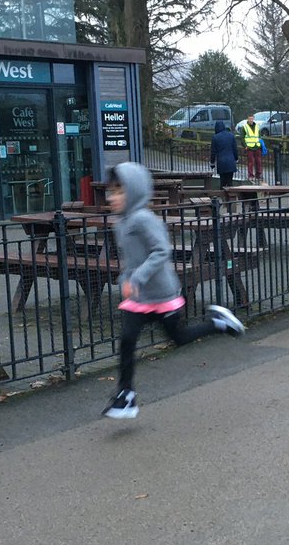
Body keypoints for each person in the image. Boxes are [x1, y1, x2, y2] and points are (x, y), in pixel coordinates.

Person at [101, 161, 247, 419]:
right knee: (126, 340)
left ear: (134, 190)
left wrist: (137, 278)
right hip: (139, 298)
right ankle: (126, 394)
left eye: (119, 191)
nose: (113, 197)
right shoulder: (120, 223)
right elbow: (131, 258)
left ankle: (218, 322)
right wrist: (127, 277)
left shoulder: (144, 219)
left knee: (178, 338)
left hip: (162, 294)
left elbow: (161, 251)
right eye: (111, 191)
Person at [209, 120, 239, 188]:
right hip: (231, 162)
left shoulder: (215, 137)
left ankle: (223, 197)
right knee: (230, 181)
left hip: (221, 162)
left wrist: (212, 163)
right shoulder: (231, 136)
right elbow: (235, 149)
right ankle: (231, 197)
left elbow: (213, 152)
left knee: (222, 182)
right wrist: (236, 158)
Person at [238, 112, 262, 182]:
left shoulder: (257, 126)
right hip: (249, 147)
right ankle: (251, 175)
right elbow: (242, 137)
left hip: (257, 146)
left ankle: (258, 174)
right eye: (250, 119)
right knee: (250, 162)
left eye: (252, 119)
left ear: (253, 118)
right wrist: (245, 146)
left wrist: (260, 144)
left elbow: (259, 136)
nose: (251, 120)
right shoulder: (244, 127)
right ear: (247, 119)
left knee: (258, 161)